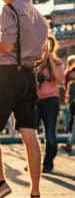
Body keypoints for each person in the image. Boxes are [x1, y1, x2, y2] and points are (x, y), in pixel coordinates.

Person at [0, 0, 48, 198]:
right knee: (29, 133)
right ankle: (35, 194)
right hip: (29, 74)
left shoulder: (9, 10)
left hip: (7, 74)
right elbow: (43, 50)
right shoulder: (38, 15)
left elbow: (8, 47)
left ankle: (1, 183)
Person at [36, 34, 64, 173]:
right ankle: (34, 161)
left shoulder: (57, 62)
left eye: (48, 45)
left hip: (50, 101)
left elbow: (59, 78)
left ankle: (48, 163)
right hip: (36, 101)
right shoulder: (36, 63)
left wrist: (50, 59)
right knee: (31, 132)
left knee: (50, 135)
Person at [61, 65, 75, 154]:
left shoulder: (72, 85)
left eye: (72, 72)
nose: (70, 74)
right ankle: (69, 144)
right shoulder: (71, 84)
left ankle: (69, 145)